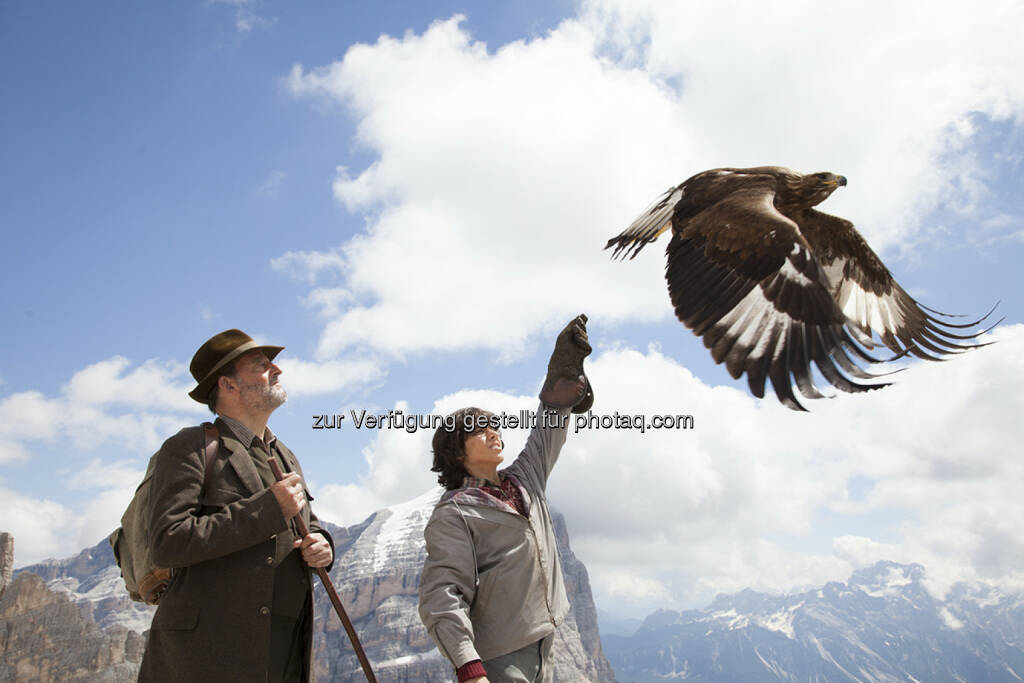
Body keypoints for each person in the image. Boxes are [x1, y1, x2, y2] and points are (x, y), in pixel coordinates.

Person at [139, 329, 334, 683]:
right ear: (228, 385)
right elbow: (168, 541)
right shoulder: (189, 448)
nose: (276, 370)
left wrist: (323, 546)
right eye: (260, 364)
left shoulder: (285, 455)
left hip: (285, 646)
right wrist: (267, 509)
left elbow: (308, 522)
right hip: (210, 656)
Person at [418, 314, 594, 683]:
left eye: (493, 426)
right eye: (478, 430)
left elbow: (548, 428)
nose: (492, 432)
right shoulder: (454, 514)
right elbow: (443, 593)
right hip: (498, 658)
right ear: (456, 450)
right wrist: (469, 667)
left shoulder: (524, 479)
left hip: (546, 642)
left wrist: (562, 373)